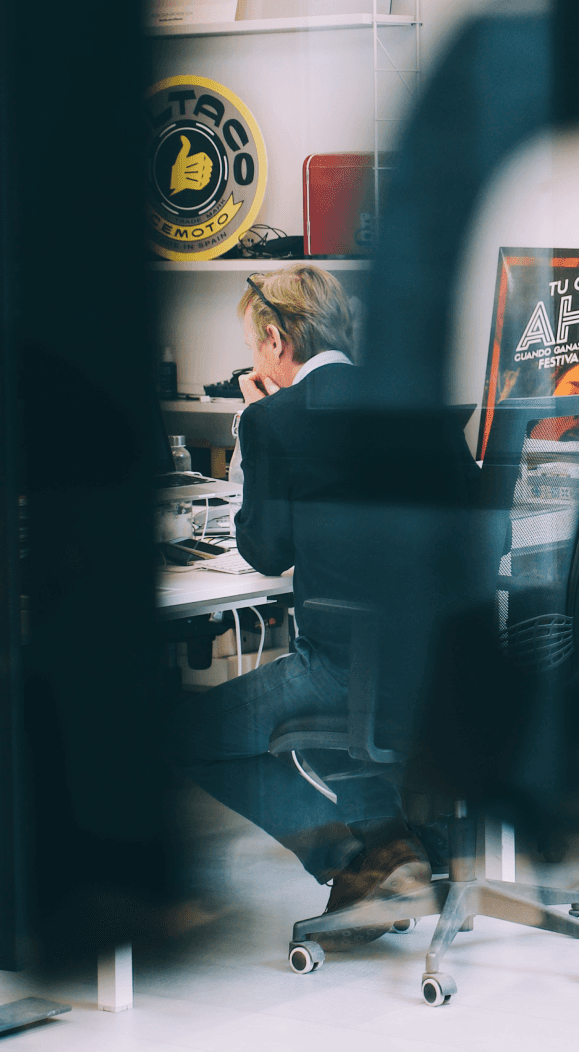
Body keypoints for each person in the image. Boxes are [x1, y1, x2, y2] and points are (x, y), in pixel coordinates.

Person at [170, 265, 435, 948]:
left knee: (188, 735)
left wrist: (251, 427)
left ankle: (352, 864)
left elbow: (263, 550)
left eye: (256, 346)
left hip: (342, 670)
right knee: (349, 717)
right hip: (438, 662)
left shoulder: (275, 418)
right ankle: (389, 852)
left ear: (273, 336)